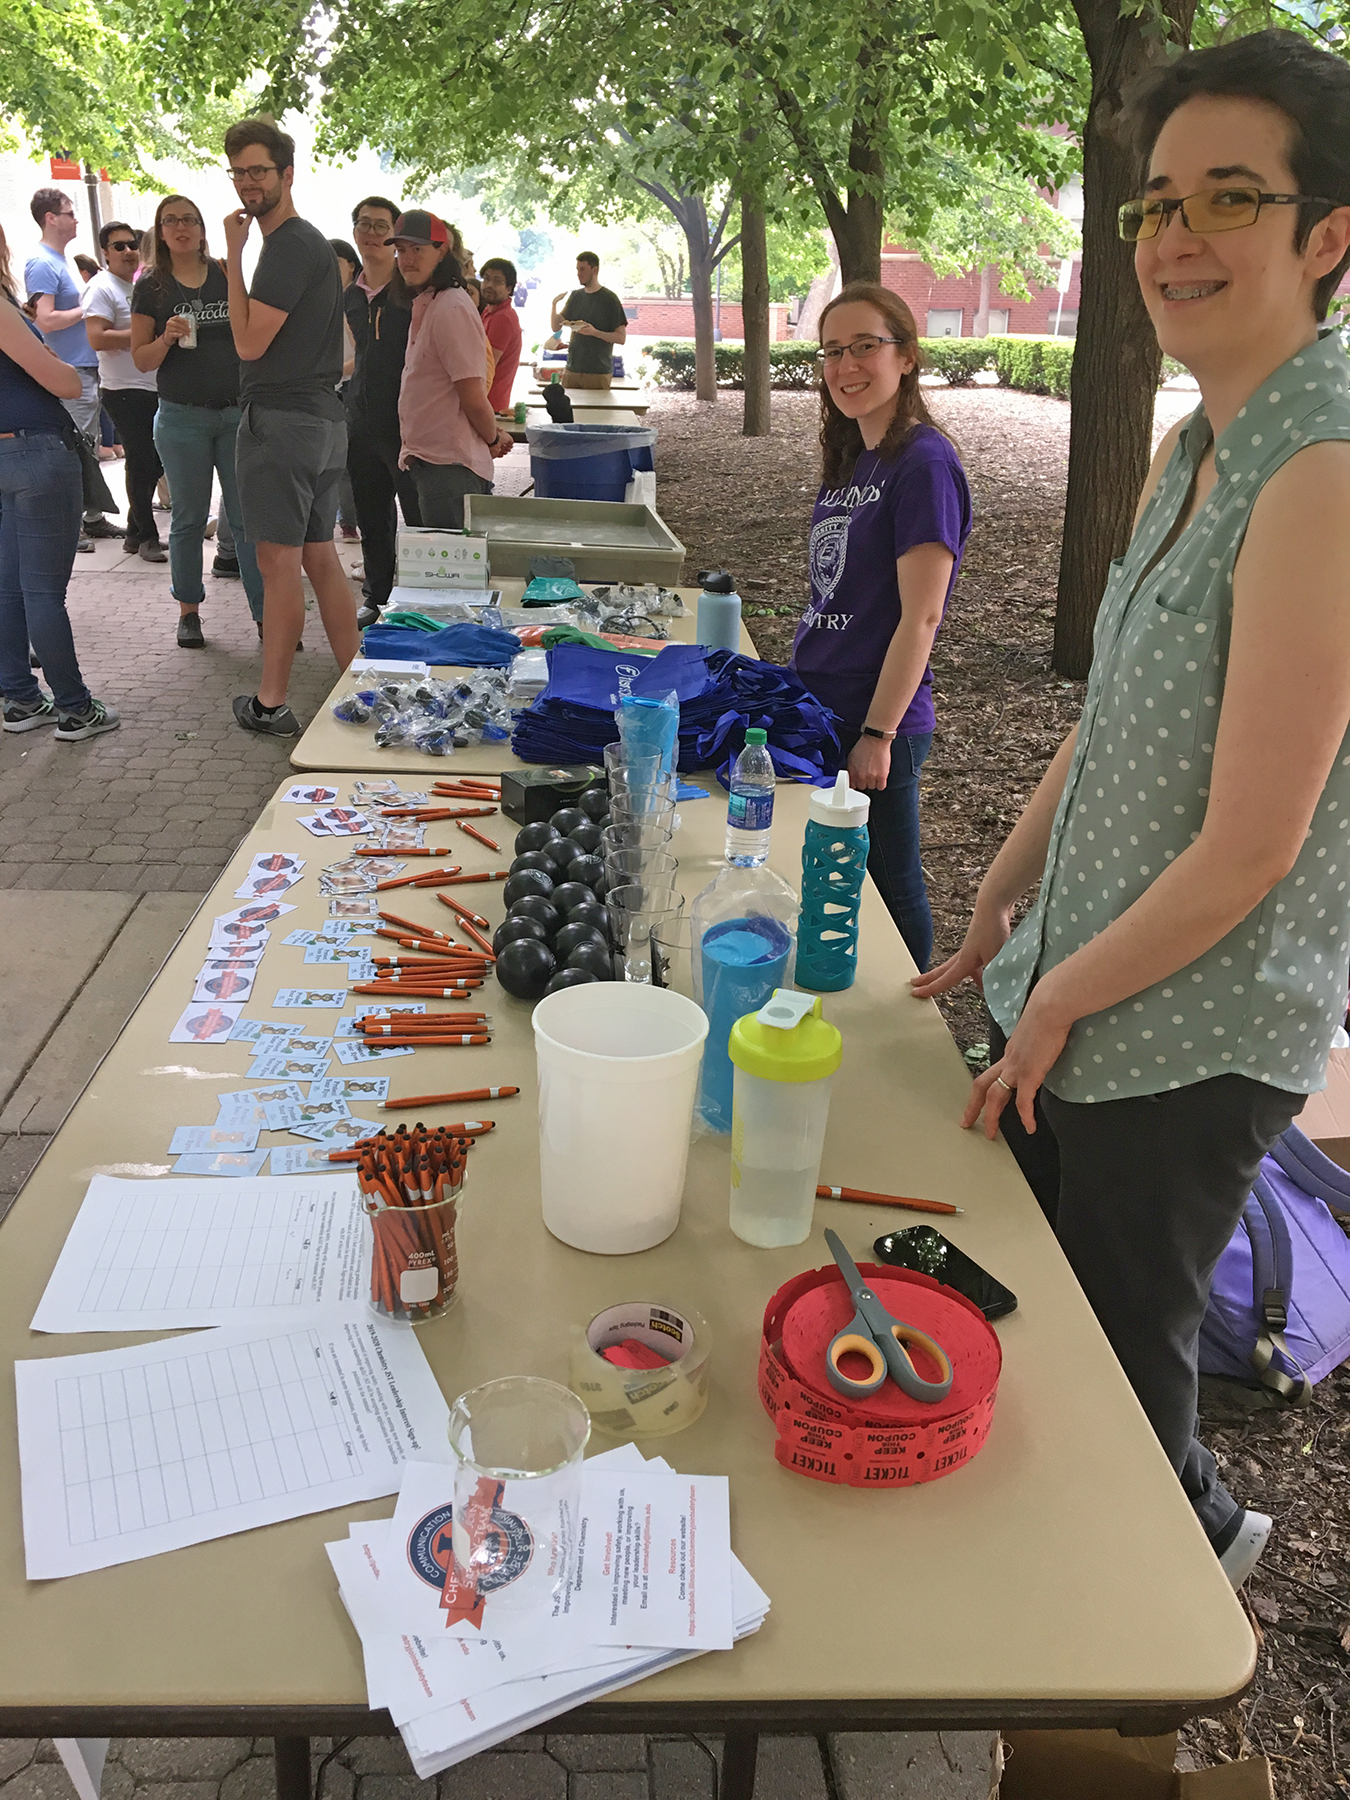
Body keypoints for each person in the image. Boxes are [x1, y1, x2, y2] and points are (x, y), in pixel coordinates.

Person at [913, 29, 1350, 1588]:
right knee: (1053, 1311)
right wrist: (998, 903)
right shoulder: (1194, 442)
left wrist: (1055, 1012)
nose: (1173, 238)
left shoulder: (1324, 466)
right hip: (1089, 989)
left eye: (1227, 198)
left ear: (1326, 234)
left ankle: (1170, 1595)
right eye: (1155, 203)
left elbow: (1251, 847)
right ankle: (1109, 1553)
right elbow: (1113, 719)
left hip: (1191, 1029)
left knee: (1115, 1348)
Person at [790, 285, 970, 970]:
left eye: (866, 346)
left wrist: (878, 733)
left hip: (875, 718)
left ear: (908, 357)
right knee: (836, 874)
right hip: (820, 706)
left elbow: (922, 616)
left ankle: (912, 1024)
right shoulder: (854, 457)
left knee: (892, 884)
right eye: (833, 350)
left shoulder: (923, 463)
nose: (846, 365)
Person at [221, 116, 359, 736]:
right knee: (318, 557)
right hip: (322, 422)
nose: (249, 182)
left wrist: (230, 255)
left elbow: (248, 344)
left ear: (287, 173)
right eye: (239, 172)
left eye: (259, 171)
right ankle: (361, 683)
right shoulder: (310, 246)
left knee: (278, 564)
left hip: (283, 425)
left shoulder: (287, 247)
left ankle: (271, 703)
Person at [0, 223, 119, 740]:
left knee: (10, 589)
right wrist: (49, 359)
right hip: (37, 450)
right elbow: (67, 381)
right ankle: (74, 707)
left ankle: (22, 698)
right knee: (42, 592)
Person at [130, 194, 265, 646]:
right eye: (171, 221)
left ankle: (266, 614)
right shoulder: (151, 286)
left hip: (234, 414)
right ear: (160, 231)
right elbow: (141, 360)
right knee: (188, 518)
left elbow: (253, 332)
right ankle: (189, 611)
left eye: (189, 220)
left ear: (203, 229)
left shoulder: (226, 272)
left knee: (246, 518)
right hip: (181, 418)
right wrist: (166, 337)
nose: (181, 228)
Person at [391, 210, 512, 528]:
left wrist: (492, 437)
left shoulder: (451, 307)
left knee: (451, 576)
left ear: (442, 250)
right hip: (433, 466)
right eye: (401, 250)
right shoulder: (430, 302)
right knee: (440, 574)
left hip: (451, 471)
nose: (407, 259)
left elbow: (472, 394)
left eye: (417, 249)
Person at [24, 187, 121, 545]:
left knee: (89, 445)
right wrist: (89, 308)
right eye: (69, 212)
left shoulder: (58, 260)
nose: (76, 218)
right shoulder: (42, 263)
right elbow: (45, 320)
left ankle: (92, 516)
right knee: (75, 447)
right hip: (70, 370)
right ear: (51, 218)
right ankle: (75, 522)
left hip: (85, 367)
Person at [344, 194, 420, 628]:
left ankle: (421, 598)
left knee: (417, 515)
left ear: (393, 235)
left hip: (409, 426)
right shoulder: (350, 295)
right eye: (364, 223)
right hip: (360, 423)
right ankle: (378, 597)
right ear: (354, 230)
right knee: (371, 518)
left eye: (380, 225)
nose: (371, 233)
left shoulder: (411, 292)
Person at [83, 222, 166, 564]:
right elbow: (97, 337)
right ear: (105, 252)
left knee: (154, 460)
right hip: (123, 389)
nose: (128, 251)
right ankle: (146, 535)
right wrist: (141, 335)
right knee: (141, 459)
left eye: (133, 245)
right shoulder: (101, 288)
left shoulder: (142, 285)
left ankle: (134, 531)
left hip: (154, 385)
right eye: (119, 246)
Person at [550, 253, 627, 390]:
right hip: (572, 370)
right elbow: (556, 327)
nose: (579, 274)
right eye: (577, 269)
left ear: (595, 270)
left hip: (598, 373)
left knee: (596, 411)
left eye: (583, 269)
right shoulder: (575, 296)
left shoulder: (609, 299)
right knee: (568, 410)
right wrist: (554, 304)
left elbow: (621, 338)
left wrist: (594, 332)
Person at [328, 238, 361, 541]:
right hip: (328, 387)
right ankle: (344, 518)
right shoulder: (318, 300)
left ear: (351, 266)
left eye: (335, 262)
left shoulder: (353, 300)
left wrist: (338, 372)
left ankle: (349, 519)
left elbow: (362, 350)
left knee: (349, 460)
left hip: (349, 388)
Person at [480, 257, 523, 414]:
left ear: (509, 288)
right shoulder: (488, 312)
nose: (490, 285)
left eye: (497, 281)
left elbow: (486, 367)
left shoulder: (503, 318)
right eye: (486, 279)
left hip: (490, 406)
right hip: (485, 403)